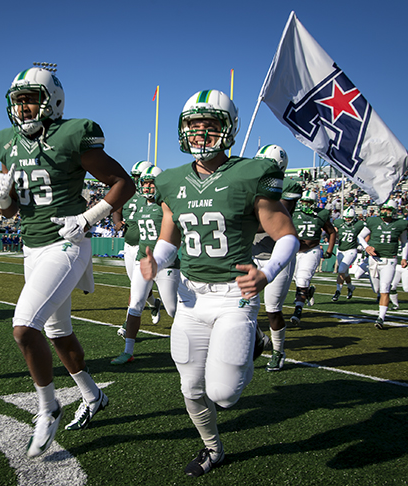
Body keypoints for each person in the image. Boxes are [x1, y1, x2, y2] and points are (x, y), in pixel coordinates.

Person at [140, 90, 299, 477]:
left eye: (209, 126)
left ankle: (252, 345)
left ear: (228, 130)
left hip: (234, 294)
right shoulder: (172, 180)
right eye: (194, 127)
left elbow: (287, 235)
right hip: (191, 296)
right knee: (191, 389)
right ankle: (213, 448)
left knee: (223, 395)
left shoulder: (252, 172)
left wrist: (268, 272)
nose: (200, 134)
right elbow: (169, 236)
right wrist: (156, 260)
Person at [0, 67, 135, 458]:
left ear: (52, 101)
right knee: (57, 332)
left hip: (66, 242)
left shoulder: (72, 133)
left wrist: (87, 219)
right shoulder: (5, 141)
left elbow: (124, 182)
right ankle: (93, 395)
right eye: (18, 100)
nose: (23, 108)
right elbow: (9, 214)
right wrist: (3, 199)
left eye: (31, 99)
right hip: (31, 246)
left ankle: (48, 408)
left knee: (24, 328)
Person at [111, 166, 179, 365]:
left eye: (151, 183)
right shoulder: (139, 203)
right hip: (142, 259)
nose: (147, 187)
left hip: (166, 264)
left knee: (174, 309)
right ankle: (128, 350)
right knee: (135, 305)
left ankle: (191, 343)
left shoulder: (168, 204)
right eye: (145, 183)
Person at [250, 144, 301, 372]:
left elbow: (272, 219)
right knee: (240, 305)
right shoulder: (247, 182)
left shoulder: (287, 187)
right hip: (251, 253)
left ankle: (279, 351)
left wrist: (241, 221)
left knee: (272, 309)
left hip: (276, 257)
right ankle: (258, 339)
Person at [111, 160, 161, 335]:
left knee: (136, 287)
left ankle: (127, 324)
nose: (139, 182)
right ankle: (154, 303)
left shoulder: (155, 197)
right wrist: (118, 222)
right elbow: (116, 208)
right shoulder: (129, 193)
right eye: (137, 178)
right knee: (136, 285)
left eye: (140, 178)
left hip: (146, 248)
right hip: (129, 245)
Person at [357, 200, 408, 329]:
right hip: (374, 260)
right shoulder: (373, 221)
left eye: (389, 210)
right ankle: (380, 301)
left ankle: (381, 318)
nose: (385, 212)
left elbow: (405, 242)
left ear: (394, 211)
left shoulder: (400, 224)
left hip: (390, 259)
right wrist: (366, 247)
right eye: (384, 209)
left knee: (385, 288)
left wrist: (404, 257)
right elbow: (360, 236)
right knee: (377, 289)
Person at [289, 190, 336, 325]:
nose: (305, 204)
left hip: (311, 250)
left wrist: (330, 250)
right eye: (304, 201)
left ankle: (297, 311)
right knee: (295, 279)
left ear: (314, 203)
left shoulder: (321, 214)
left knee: (302, 280)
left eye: (308, 202)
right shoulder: (293, 212)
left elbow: (331, 232)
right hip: (294, 251)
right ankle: (308, 291)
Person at [331, 207, 365, 301]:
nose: (347, 219)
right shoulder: (339, 223)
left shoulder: (359, 224)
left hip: (351, 250)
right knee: (345, 273)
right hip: (340, 250)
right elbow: (333, 231)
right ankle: (350, 287)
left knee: (341, 269)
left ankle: (338, 291)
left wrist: (364, 244)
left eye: (349, 218)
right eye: (346, 217)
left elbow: (367, 233)